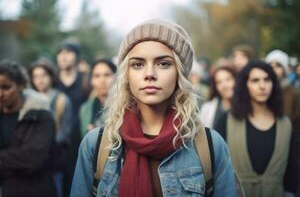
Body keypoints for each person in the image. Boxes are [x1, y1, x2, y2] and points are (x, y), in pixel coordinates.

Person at [70, 19, 236, 197]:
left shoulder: (210, 146)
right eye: (138, 64)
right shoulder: (96, 145)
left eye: (163, 63)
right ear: (127, 75)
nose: (149, 74)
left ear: (179, 73)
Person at [216, 61, 298, 196]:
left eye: (267, 80)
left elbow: (293, 172)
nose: (262, 86)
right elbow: (216, 167)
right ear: (244, 85)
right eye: (255, 80)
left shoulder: (285, 124)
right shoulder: (226, 120)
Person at [0, 60, 57, 197]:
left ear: (20, 86)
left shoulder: (41, 115)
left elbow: (33, 158)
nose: (0, 94)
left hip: (34, 190)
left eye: (6, 87)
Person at [29, 57, 73, 197]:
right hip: (30, 162)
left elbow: (65, 133)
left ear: (50, 76)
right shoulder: (27, 99)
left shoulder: (61, 100)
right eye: (35, 76)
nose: (40, 80)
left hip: (53, 161)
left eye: (43, 75)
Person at [55, 42, 90, 196]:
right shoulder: (52, 81)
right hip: (56, 144)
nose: (63, 55)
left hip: (80, 142)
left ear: (76, 56)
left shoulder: (85, 81)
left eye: (68, 52)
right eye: (60, 52)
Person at [265, 49, 300, 135]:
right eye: (270, 65)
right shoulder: (261, 90)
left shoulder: (292, 93)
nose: (273, 69)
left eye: (278, 66)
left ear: (284, 70)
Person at [80, 58, 116, 137]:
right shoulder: (85, 109)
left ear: (116, 77)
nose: (102, 80)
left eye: (107, 75)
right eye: (97, 76)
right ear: (91, 80)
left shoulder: (123, 106)